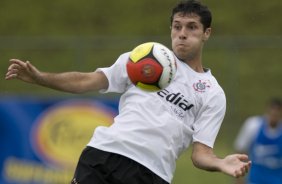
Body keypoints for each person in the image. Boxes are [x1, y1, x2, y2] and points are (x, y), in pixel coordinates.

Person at [5, 0, 251, 183]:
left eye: (191, 27)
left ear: (206, 33)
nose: (182, 34)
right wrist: (41, 78)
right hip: (105, 154)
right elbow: (89, 80)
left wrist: (220, 163)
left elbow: (200, 154)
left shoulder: (212, 92)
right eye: (177, 27)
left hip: (150, 173)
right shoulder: (144, 59)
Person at [234, 98, 282, 184]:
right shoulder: (253, 125)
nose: (274, 113)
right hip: (254, 180)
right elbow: (240, 152)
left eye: (278, 110)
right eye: (272, 110)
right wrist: (239, 180)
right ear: (267, 111)